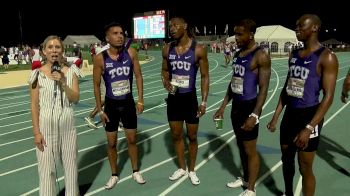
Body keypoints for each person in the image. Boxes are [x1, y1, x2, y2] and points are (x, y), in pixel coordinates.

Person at [267, 14, 339, 196]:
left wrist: (309, 128)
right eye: (295, 25)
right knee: (287, 160)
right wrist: (276, 116)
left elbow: (328, 97)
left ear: (315, 27)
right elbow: (287, 86)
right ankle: (289, 193)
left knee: (305, 166)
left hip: (309, 116)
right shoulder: (294, 53)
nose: (296, 28)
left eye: (301, 25)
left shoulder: (327, 57)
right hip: (290, 115)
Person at [213, 19, 271, 196]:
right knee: (240, 145)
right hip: (236, 107)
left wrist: (255, 114)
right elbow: (234, 82)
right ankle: (245, 178)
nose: (235, 38)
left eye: (239, 34)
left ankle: (251, 189)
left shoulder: (260, 55)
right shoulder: (238, 54)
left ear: (251, 35)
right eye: (235, 33)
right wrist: (223, 106)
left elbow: (263, 89)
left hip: (249, 107)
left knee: (250, 150)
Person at [93, 22, 146, 189]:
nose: (120, 36)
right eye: (115, 33)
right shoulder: (100, 58)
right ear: (107, 38)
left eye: (121, 33)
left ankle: (135, 171)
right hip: (111, 106)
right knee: (111, 143)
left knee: (132, 139)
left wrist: (140, 100)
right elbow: (95, 85)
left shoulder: (131, 53)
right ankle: (114, 174)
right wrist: (100, 110)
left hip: (128, 103)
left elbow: (138, 76)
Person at [29, 35, 83, 196]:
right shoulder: (36, 74)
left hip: (67, 125)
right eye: (50, 47)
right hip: (45, 126)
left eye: (57, 47)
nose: (54, 50)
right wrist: (37, 132)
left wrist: (63, 82)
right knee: (46, 170)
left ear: (62, 50)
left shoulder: (71, 71)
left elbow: (75, 98)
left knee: (71, 167)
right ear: (44, 52)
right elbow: (33, 105)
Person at [161, 16, 209, 185]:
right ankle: (182, 168)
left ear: (185, 26)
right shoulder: (167, 49)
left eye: (175, 25)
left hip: (190, 99)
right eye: (169, 26)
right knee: (176, 135)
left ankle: (192, 170)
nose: (171, 28)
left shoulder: (198, 49)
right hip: (174, 98)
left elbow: (204, 77)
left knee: (192, 136)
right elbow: (165, 70)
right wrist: (165, 81)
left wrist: (203, 102)